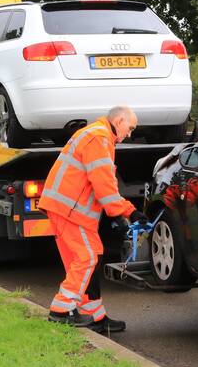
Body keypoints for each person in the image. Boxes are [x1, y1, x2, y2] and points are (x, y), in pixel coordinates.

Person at [39, 106, 145, 333]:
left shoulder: (98, 135)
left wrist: (122, 213)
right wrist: (128, 212)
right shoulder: (100, 137)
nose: (130, 133)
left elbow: (102, 184)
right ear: (119, 120)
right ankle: (61, 310)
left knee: (87, 260)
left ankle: (95, 316)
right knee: (86, 259)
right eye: (130, 127)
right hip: (70, 210)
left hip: (69, 210)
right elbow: (104, 185)